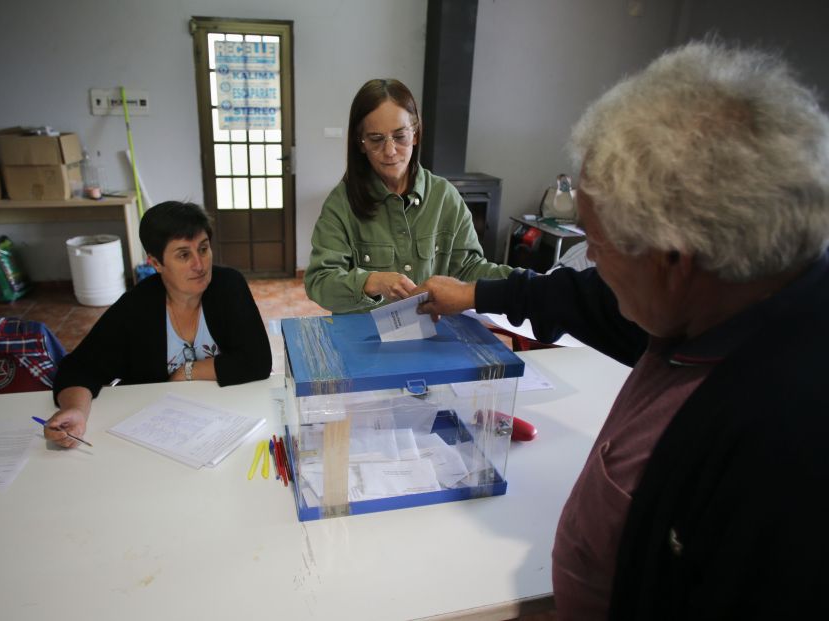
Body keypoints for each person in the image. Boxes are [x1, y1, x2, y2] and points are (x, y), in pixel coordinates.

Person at [415, 41, 829, 620]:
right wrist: (478, 293)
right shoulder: (725, 292)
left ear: (673, 258)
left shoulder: (784, 445)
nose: (591, 264)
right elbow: (588, 299)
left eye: (597, 245)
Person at [45, 201, 272, 448]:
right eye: (184, 255)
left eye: (203, 249)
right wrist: (77, 411)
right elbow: (79, 369)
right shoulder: (136, 307)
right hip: (156, 436)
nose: (199, 264)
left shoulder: (228, 286)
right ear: (155, 263)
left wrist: (187, 372)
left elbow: (258, 361)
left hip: (226, 426)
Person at [304, 78, 513, 314]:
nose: (390, 151)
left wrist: (525, 284)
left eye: (400, 136)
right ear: (360, 143)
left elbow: (468, 269)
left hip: (431, 336)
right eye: (376, 139)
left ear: (415, 134)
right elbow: (320, 282)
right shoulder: (341, 203)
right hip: (365, 339)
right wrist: (371, 282)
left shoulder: (445, 197)